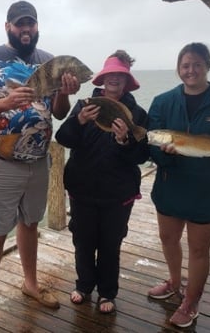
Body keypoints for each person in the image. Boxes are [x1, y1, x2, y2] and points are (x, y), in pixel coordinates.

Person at [0, 0, 80, 332]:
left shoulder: (49, 62)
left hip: (39, 161)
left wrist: (63, 92)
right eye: (19, 24)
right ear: (8, 27)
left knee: (30, 225)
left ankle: (30, 284)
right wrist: (4, 103)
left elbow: (59, 113)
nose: (25, 29)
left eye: (30, 23)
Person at [147, 42, 210, 328]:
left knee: (199, 249)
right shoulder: (162, 101)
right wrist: (164, 153)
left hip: (208, 190)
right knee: (168, 238)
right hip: (171, 185)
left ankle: (191, 301)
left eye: (197, 64)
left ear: (208, 66)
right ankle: (175, 282)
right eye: (185, 65)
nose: (191, 70)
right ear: (178, 69)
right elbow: (151, 145)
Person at [55, 50, 150, 314]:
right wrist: (80, 120)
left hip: (118, 194)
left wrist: (124, 141)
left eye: (120, 75)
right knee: (83, 242)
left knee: (111, 245)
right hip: (82, 190)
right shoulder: (85, 104)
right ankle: (84, 286)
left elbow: (142, 155)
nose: (115, 79)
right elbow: (64, 138)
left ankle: (107, 292)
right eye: (110, 75)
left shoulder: (137, 114)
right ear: (102, 79)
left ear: (127, 81)